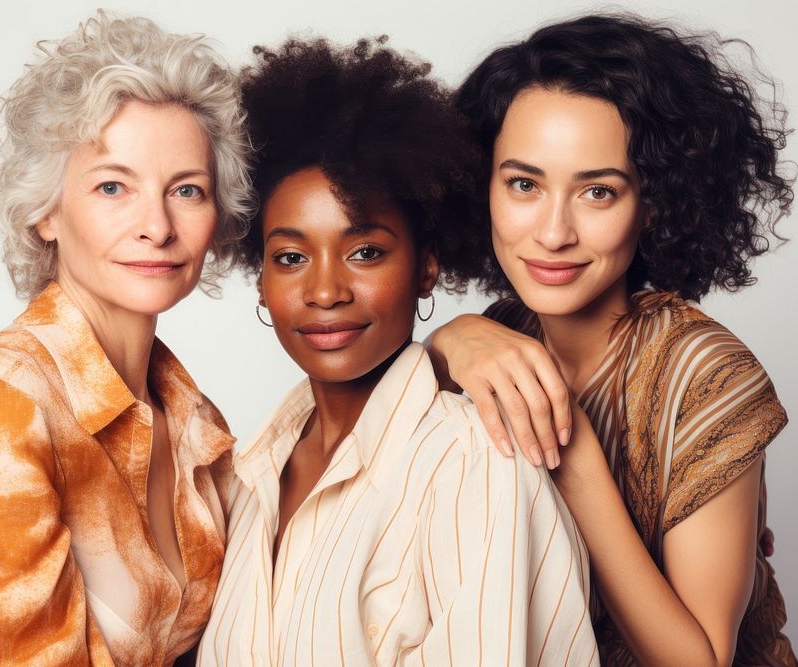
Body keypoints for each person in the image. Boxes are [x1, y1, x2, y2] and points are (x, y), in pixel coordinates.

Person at [0, 12, 252, 665]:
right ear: (46, 210)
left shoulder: (197, 423)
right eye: (113, 186)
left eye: (187, 189)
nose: (156, 224)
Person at [197, 37, 595, 666]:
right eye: (291, 258)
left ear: (427, 268)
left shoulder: (474, 462)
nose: (324, 290)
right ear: (261, 279)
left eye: (366, 252)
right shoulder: (246, 476)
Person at [426, 14, 798, 665]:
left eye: (598, 191)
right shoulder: (496, 332)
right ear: (480, 186)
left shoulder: (705, 374)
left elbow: (698, 659)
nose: (552, 232)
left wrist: (568, 450)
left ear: (654, 202)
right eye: (524, 184)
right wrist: (449, 339)